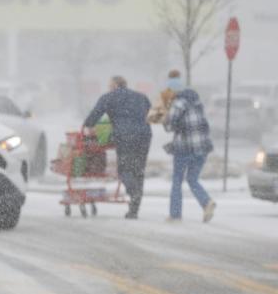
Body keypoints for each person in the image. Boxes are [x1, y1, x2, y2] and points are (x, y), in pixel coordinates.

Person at [83, 76, 153, 219]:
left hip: (125, 136)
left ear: (115, 85)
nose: (109, 88)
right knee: (138, 170)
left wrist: (89, 126)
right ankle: (134, 208)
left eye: (109, 85)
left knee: (124, 169)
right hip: (144, 136)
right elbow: (151, 114)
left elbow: (94, 115)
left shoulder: (109, 97)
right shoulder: (141, 97)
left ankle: (134, 193)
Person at [163, 71, 216, 222]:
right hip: (202, 148)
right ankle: (207, 202)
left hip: (184, 148)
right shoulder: (197, 103)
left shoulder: (178, 104)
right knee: (192, 179)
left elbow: (169, 126)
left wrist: (163, 117)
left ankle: (175, 214)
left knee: (177, 180)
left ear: (173, 92)